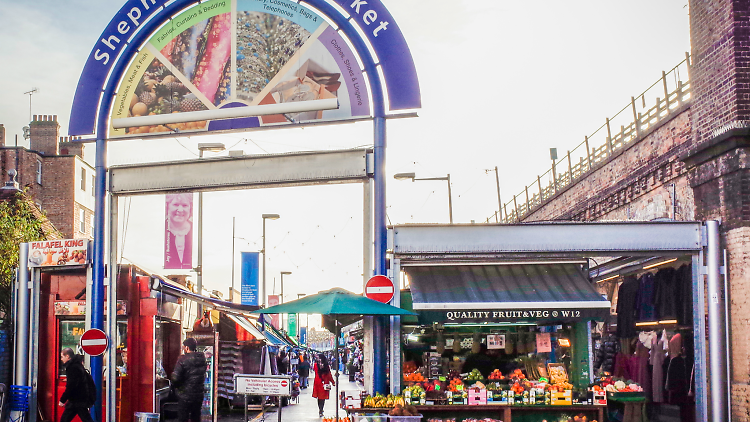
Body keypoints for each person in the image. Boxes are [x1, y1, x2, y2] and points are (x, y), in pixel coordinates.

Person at [170, 338, 207, 422]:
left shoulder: (182, 359)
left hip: (185, 395)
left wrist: (177, 387)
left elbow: (175, 378)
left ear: (186, 347)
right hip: (198, 394)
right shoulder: (202, 359)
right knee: (196, 417)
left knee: (183, 417)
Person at [58, 348, 95, 422]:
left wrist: (62, 400)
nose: (61, 359)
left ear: (67, 356)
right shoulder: (77, 365)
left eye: (62, 357)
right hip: (79, 399)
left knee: (65, 419)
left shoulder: (72, 367)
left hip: (76, 400)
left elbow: (71, 385)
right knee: (85, 418)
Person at [165, 193, 193, 269]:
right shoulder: (161, 230)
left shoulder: (197, 233)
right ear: (167, 206)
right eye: (176, 205)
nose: (180, 210)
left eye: (184, 205)